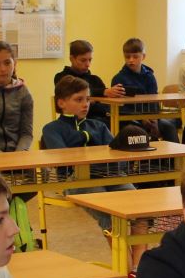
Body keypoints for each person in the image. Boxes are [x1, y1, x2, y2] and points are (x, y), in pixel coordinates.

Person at [42, 75, 130, 234]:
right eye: (79, 100)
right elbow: (65, 159)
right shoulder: (51, 129)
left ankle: (136, 251)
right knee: (108, 212)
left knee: (138, 207)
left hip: (110, 175)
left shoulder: (99, 126)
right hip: (76, 180)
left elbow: (117, 155)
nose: (85, 104)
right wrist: (87, 138)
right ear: (61, 103)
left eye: (88, 99)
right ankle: (124, 251)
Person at [110, 36, 178, 140]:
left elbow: (154, 100)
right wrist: (141, 118)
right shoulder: (118, 79)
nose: (131, 60)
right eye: (127, 57)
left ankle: (174, 151)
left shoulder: (150, 76)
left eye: (135, 57)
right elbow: (121, 107)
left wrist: (154, 119)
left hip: (151, 117)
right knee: (140, 131)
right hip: (129, 119)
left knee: (169, 127)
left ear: (143, 56)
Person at [54, 38, 121, 124]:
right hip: (74, 121)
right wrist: (103, 92)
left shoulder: (95, 80)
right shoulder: (61, 77)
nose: (88, 64)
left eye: (90, 60)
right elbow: (74, 93)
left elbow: (105, 107)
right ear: (72, 59)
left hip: (101, 120)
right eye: (83, 60)